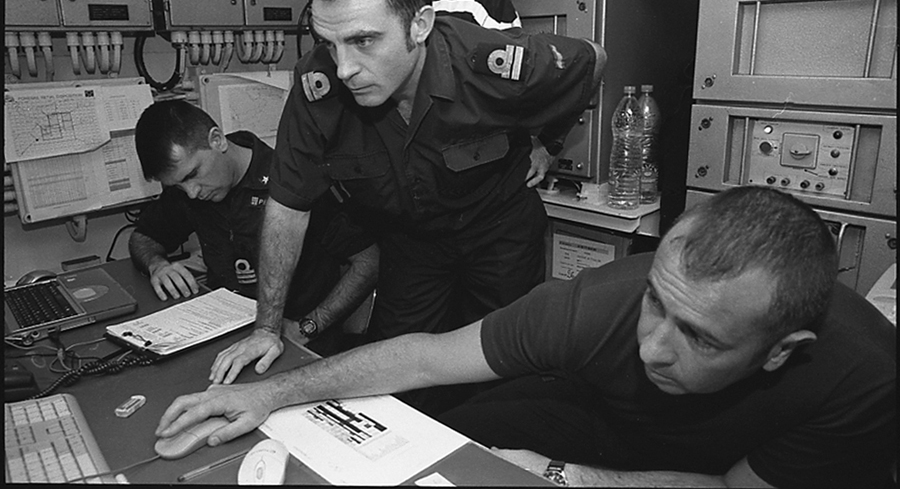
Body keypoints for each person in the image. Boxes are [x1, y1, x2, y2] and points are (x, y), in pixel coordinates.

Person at [157, 185, 896, 488]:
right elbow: (424, 354)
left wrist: (560, 475)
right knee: (443, 426)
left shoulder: (861, 381)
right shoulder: (601, 304)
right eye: (655, 306)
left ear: (781, 352)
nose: (652, 346)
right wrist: (269, 394)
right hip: (598, 412)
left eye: (699, 337)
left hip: (702, 460)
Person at [209, 0, 605, 388]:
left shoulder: (488, 64)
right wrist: (267, 327)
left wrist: (549, 142)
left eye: (363, 41)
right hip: (412, 241)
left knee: (503, 370)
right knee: (392, 377)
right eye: (329, 44)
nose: (343, 68)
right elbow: (287, 207)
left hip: (498, 234)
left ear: (419, 25)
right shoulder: (317, 89)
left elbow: (592, 61)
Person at [130, 99, 378, 355]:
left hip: (297, 341)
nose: (191, 193)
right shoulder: (190, 192)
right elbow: (144, 237)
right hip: (224, 332)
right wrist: (156, 264)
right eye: (178, 186)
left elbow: (368, 262)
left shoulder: (294, 182)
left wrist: (309, 327)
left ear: (217, 140)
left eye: (191, 176)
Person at [355, 0, 557, 187]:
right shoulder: (352, 2)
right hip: (389, 182)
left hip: (472, 179)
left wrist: (539, 142)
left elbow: (526, 80)